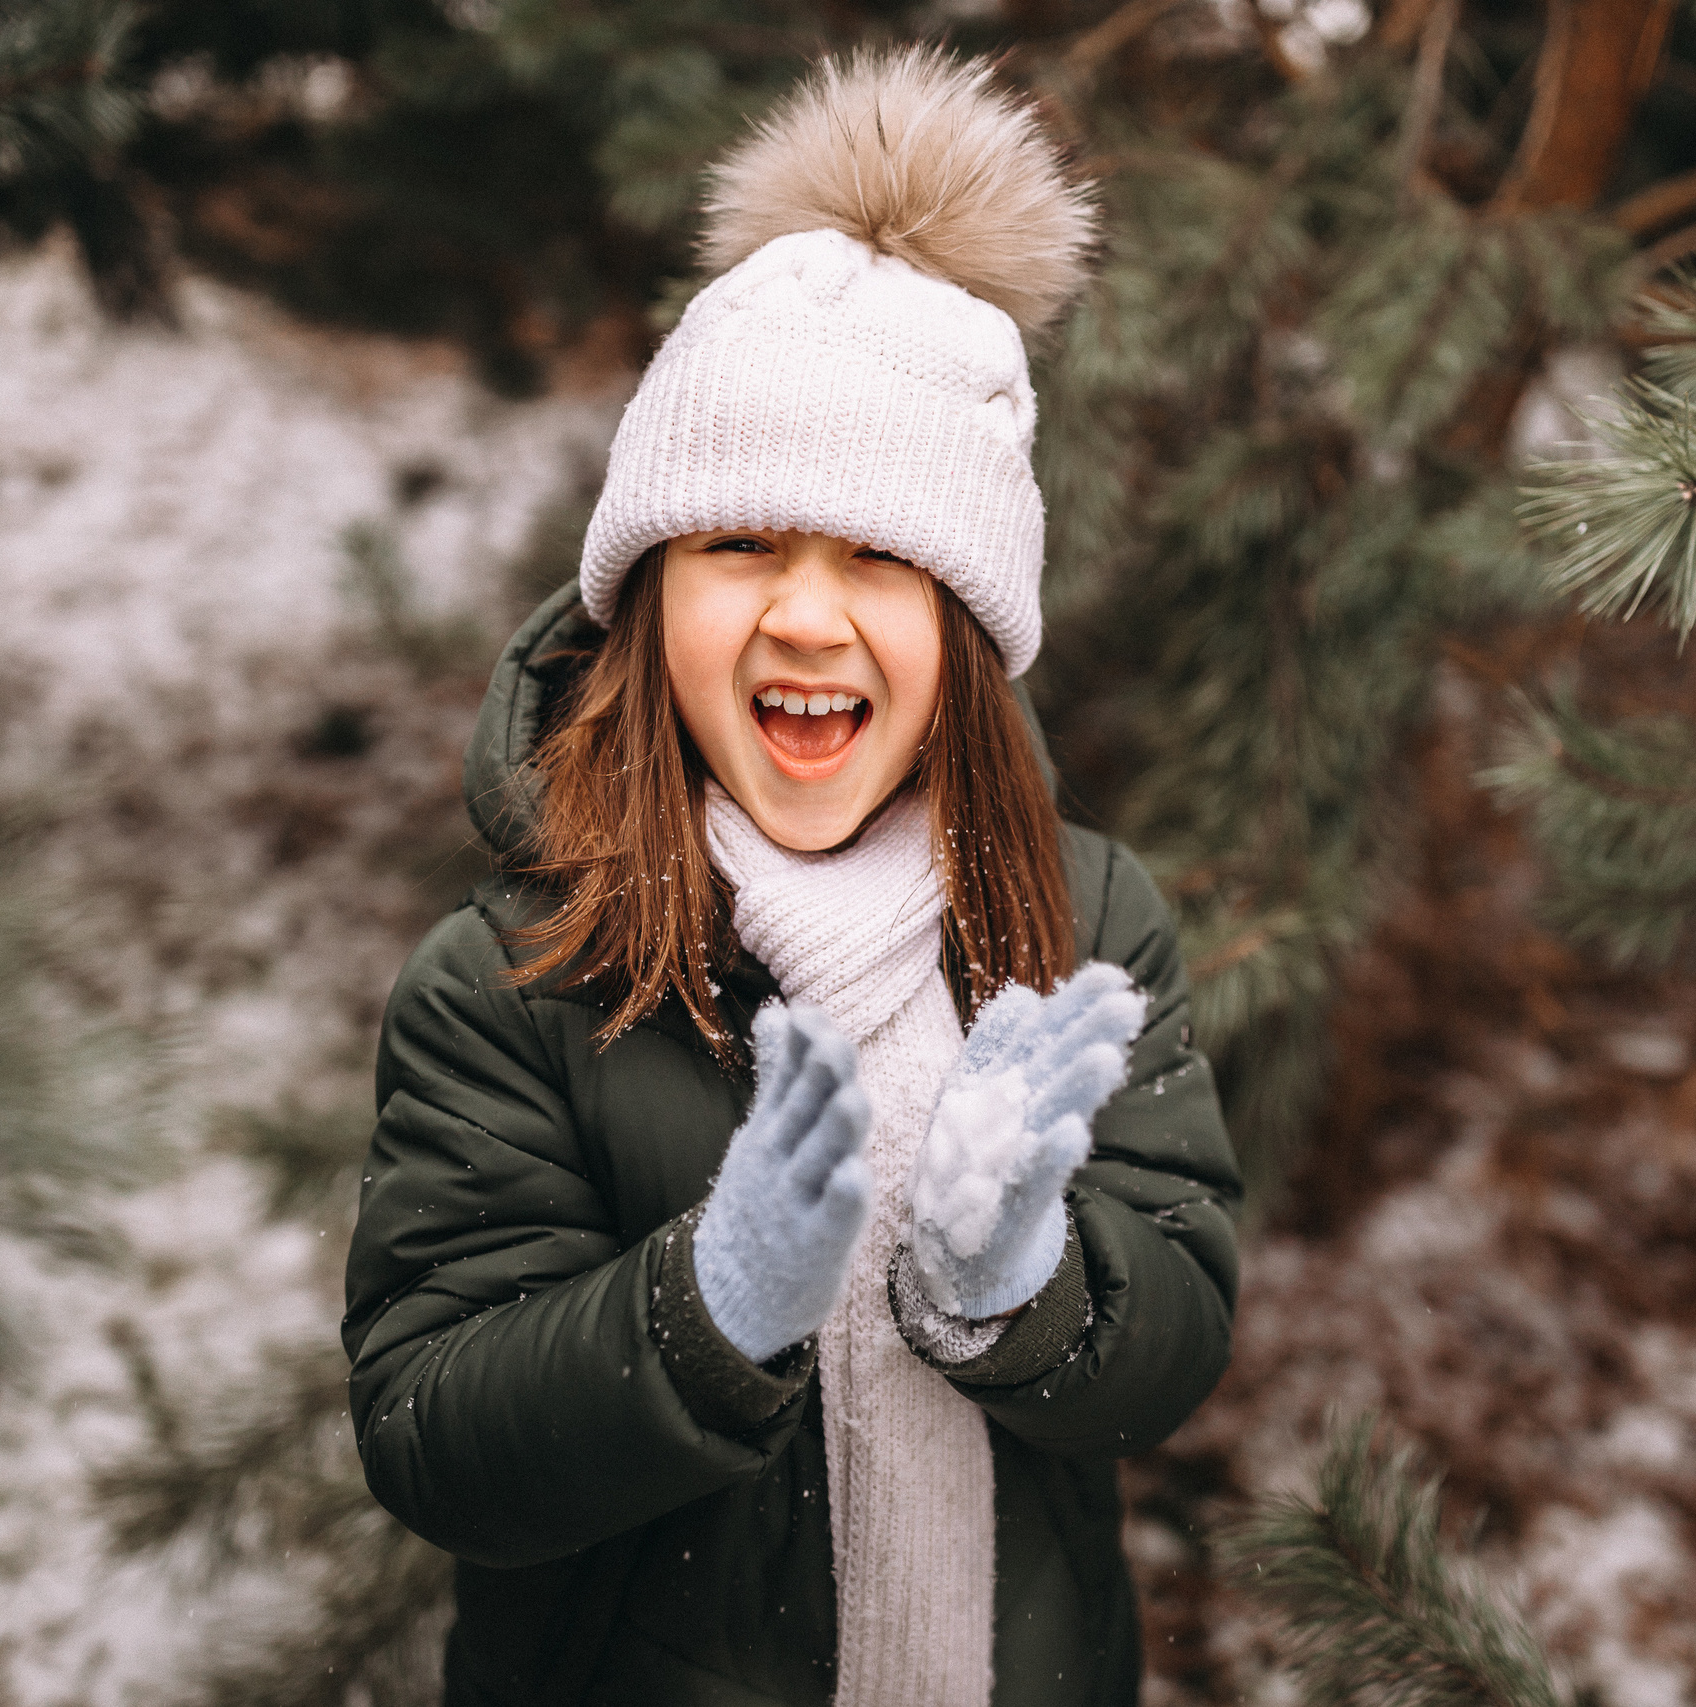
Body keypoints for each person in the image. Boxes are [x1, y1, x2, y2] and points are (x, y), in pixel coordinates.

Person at [341, 46, 1242, 1707]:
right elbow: (433, 1438)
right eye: (742, 541)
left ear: (965, 628)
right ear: (645, 597)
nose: (808, 615)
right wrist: (710, 1300)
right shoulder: (513, 983)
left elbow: (1175, 1334)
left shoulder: (1086, 921)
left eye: (883, 556)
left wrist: (1020, 1286)